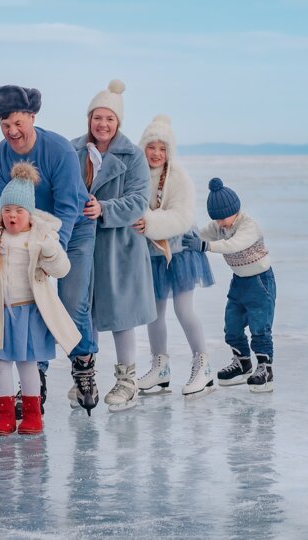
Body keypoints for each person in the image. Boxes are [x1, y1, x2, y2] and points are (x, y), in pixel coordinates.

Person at [0, 85, 100, 415]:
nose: (12, 131)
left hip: (73, 229)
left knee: (72, 301)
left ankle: (83, 365)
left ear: (32, 116)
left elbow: (69, 203)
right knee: (30, 302)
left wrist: (49, 249)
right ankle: (35, 376)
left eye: (18, 122)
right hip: (24, 236)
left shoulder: (57, 150)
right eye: (4, 125)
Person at [0, 162, 81, 435]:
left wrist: (51, 251)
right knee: (0, 365)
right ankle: (4, 416)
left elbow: (62, 269)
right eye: (7, 210)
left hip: (31, 311)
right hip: (0, 311)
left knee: (28, 364)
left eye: (18, 211)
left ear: (29, 213)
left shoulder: (42, 236)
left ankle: (32, 415)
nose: (12, 216)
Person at [71, 79, 156, 412]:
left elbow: (138, 199)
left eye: (109, 119)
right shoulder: (74, 149)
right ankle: (84, 375)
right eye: (97, 118)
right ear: (89, 120)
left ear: (118, 122)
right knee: (82, 309)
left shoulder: (132, 155)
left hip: (118, 245)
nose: (102, 124)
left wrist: (103, 209)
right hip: (81, 243)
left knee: (121, 314)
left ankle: (126, 380)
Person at [132, 114, 216, 396]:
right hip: (152, 253)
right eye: (151, 146)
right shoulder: (137, 174)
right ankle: (160, 367)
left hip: (180, 253)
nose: (156, 153)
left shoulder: (178, 176)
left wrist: (150, 223)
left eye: (162, 148)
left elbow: (182, 215)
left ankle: (202, 364)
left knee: (183, 309)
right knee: (154, 314)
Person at [182, 178, 276, 392]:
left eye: (224, 217)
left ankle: (264, 368)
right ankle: (242, 363)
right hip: (239, 282)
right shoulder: (219, 225)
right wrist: (184, 237)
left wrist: (205, 246)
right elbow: (201, 234)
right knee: (231, 325)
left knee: (260, 327)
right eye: (217, 218)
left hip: (260, 282)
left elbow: (234, 245)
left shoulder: (248, 225)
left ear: (236, 209)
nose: (221, 222)